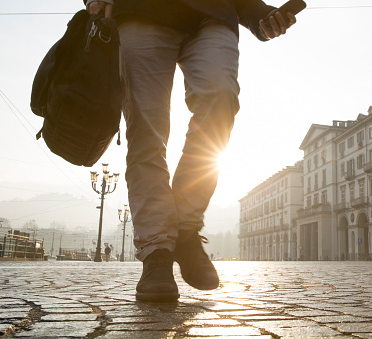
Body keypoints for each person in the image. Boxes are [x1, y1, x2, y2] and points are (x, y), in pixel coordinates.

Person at [84, 0, 297, 302]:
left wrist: (261, 14)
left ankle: (185, 227)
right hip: (141, 10)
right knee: (146, 129)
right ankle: (156, 249)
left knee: (221, 100)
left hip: (214, 14)